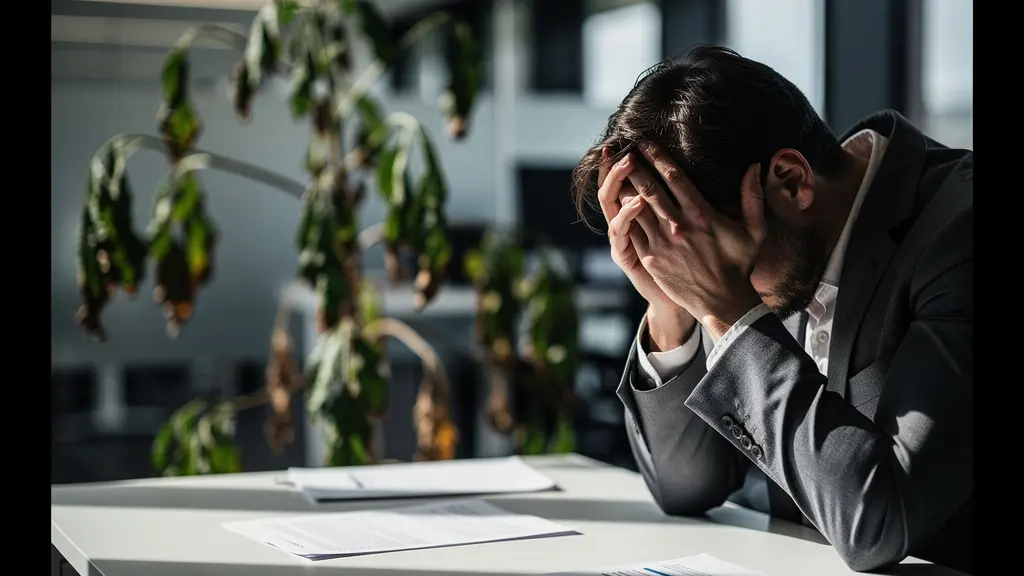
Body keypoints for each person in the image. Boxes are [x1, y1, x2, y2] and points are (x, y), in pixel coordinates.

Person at [571, 46, 973, 573]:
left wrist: (729, 312)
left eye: (711, 255)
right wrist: (673, 307)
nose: (707, 276)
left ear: (791, 182)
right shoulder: (784, 240)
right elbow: (686, 487)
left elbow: (877, 525)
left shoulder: (958, 236)